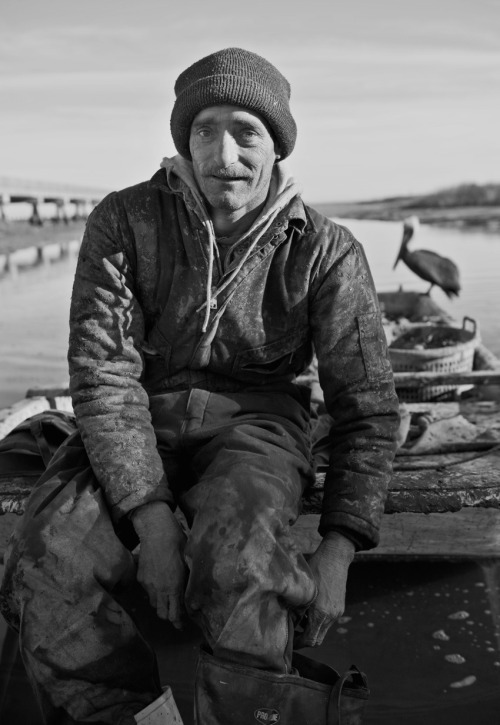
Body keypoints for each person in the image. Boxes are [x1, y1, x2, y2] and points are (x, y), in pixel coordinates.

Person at [0, 47, 400, 724]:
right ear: (183, 136)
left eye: (246, 132)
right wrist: (152, 519)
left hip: (260, 423)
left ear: (277, 144)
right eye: (203, 128)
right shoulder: (126, 222)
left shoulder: (326, 251)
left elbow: (368, 410)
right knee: (45, 561)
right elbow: (103, 374)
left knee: (240, 560)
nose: (223, 153)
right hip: (137, 418)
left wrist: (337, 549)